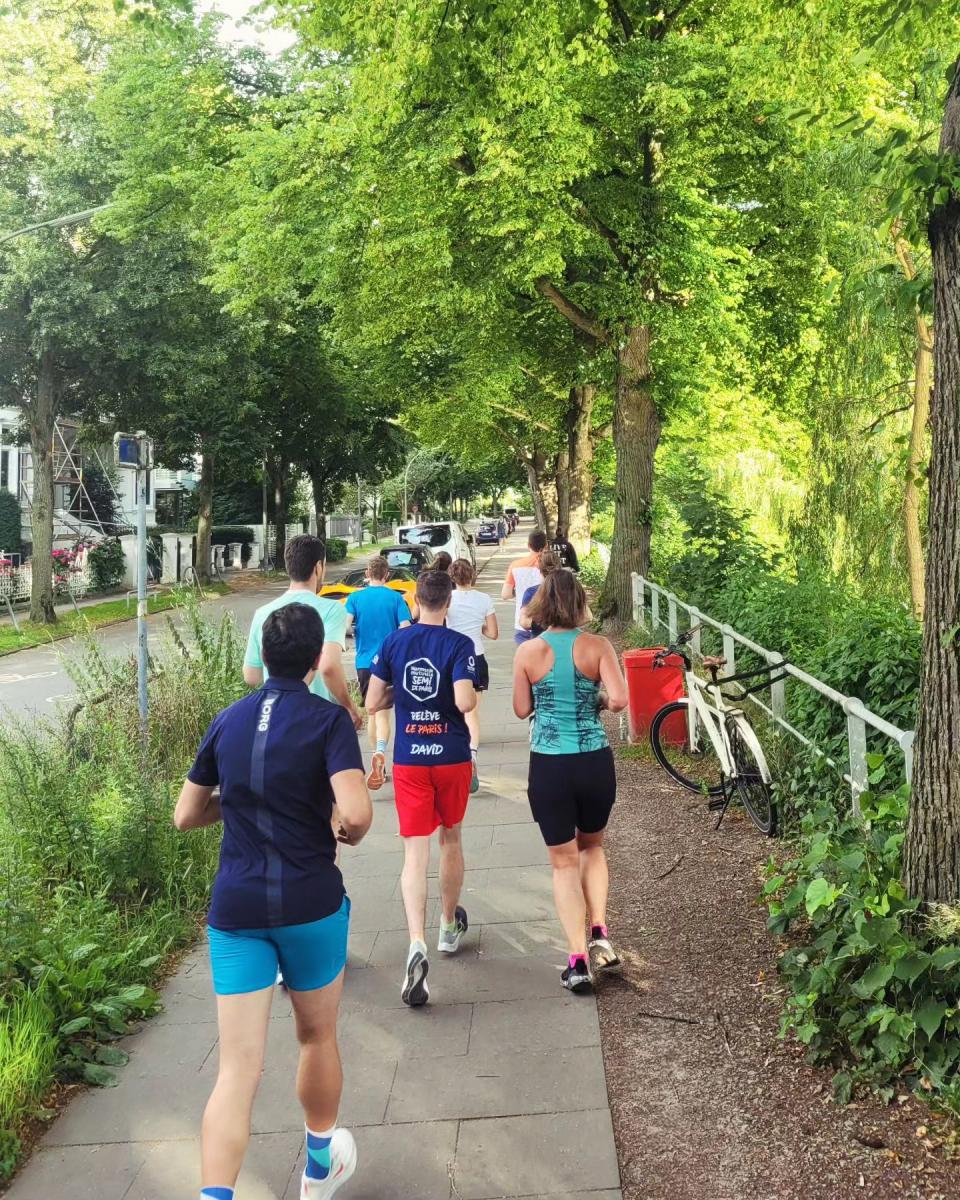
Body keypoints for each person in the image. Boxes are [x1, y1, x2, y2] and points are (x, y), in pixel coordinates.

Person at [175, 603, 374, 1200]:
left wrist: (235, 805)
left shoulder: (227, 720)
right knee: (315, 1036)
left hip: (236, 913)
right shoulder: (328, 722)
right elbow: (358, 815)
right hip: (309, 904)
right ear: (317, 660)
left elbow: (185, 814)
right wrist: (343, 823)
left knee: (237, 1069)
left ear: (262, 655)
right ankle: (319, 1166)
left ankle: (216, 1195)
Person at [512, 570, 628, 995]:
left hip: (549, 767)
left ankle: (577, 960)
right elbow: (618, 700)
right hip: (593, 763)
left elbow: (521, 709)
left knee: (563, 862)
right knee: (593, 846)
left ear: (543, 603)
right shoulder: (597, 646)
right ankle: (600, 931)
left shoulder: (529, 653)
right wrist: (593, 697)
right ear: (580, 602)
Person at [365, 570, 477, 1007]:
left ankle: (416, 942)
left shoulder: (395, 642)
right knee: (451, 839)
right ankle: (448, 927)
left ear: (415, 598)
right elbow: (465, 702)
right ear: (447, 601)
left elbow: (373, 701)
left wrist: (402, 698)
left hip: (410, 758)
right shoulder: (459, 645)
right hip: (450, 756)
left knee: (415, 851)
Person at [244, 535, 363, 732]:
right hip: (317, 722)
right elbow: (329, 667)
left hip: (273, 721)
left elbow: (251, 676)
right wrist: (349, 707)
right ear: (318, 567)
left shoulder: (263, 613)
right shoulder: (332, 610)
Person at [344, 555, 411, 790]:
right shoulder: (396, 598)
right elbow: (405, 629)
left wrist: (355, 635)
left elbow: (345, 626)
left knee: (372, 712)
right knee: (383, 714)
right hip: (390, 663)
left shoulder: (354, 598)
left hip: (364, 663)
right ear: (387, 575)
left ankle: (376, 756)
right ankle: (381, 752)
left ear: (367, 573)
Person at [446, 557, 499, 792]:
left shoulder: (448, 600)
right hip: (475, 658)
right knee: (472, 713)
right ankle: (473, 757)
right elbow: (493, 633)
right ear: (472, 576)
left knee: (451, 711)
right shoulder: (484, 599)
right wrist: (479, 627)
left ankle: (454, 761)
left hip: (451, 660)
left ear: (452, 577)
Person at [501, 529, 547, 646]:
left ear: (528, 545)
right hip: (546, 623)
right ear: (546, 545)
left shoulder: (515, 565)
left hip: (522, 622)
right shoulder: (550, 565)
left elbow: (505, 594)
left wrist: (519, 590)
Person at [519, 548, 559, 638]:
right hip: (567, 643)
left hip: (540, 642)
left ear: (539, 569)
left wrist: (541, 624)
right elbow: (586, 617)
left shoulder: (531, 592)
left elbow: (524, 622)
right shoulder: (569, 590)